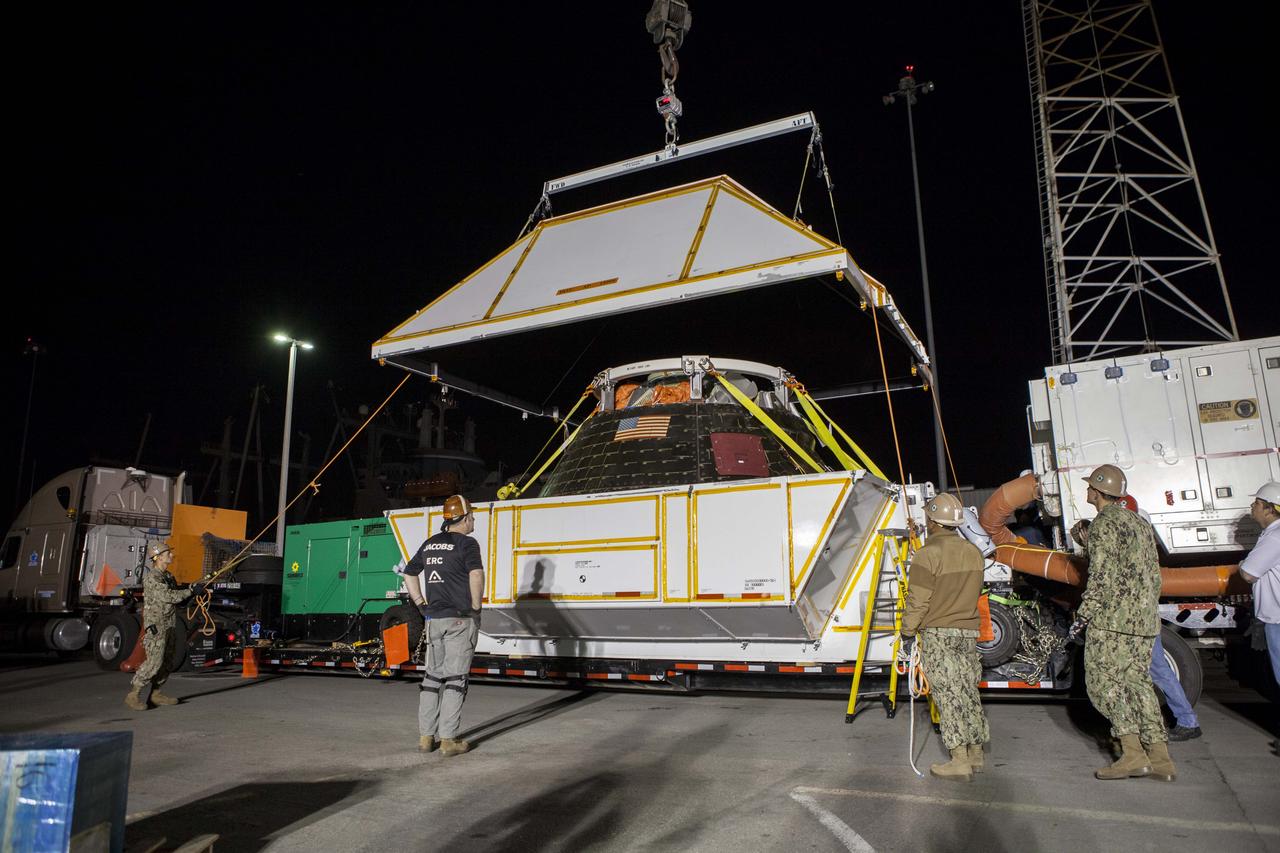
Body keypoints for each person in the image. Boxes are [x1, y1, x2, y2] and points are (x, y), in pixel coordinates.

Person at [1072, 464, 1174, 781]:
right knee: (1139, 684)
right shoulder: (1140, 523)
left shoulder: (1103, 525)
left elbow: (1101, 578)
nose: (1087, 490)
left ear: (1098, 492)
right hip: (1144, 621)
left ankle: (1132, 755)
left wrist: (1083, 615)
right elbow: (1152, 574)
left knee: (1105, 685)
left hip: (1112, 621)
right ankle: (1161, 758)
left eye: (1090, 486)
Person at [901, 492, 990, 782]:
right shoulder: (973, 553)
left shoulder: (927, 555)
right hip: (967, 632)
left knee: (948, 695)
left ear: (932, 521)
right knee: (967, 691)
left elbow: (919, 600)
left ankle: (959, 761)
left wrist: (907, 632)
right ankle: (976, 754)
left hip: (939, 633)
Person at [402, 494, 485, 757]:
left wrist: (420, 604)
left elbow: (409, 572)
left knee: (432, 678)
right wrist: (475, 607)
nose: (473, 520)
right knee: (456, 677)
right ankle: (448, 740)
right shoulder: (468, 544)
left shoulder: (430, 544)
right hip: (460, 618)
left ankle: (426, 737)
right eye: (471, 515)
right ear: (463, 518)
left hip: (434, 620)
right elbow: (476, 574)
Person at [1114, 495, 1201, 740]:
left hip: (1137, 619)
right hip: (1140, 617)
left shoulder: (1134, 547)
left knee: (1157, 669)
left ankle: (1185, 721)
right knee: (1151, 669)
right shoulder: (1144, 544)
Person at [125, 541, 196, 710]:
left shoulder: (168, 576)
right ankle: (133, 694)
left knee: (167, 661)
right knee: (154, 661)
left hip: (169, 623)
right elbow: (169, 596)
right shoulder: (152, 578)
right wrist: (191, 591)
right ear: (158, 557)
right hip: (157, 625)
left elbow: (176, 593)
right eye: (168, 553)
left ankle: (156, 694)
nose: (171, 555)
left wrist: (192, 588)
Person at [1239, 482, 1280, 704]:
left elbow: (1248, 573)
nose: (1252, 506)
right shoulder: (1272, 534)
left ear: (1269, 508)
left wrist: (1242, 563)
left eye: (1256, 503)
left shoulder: (1275, 537)